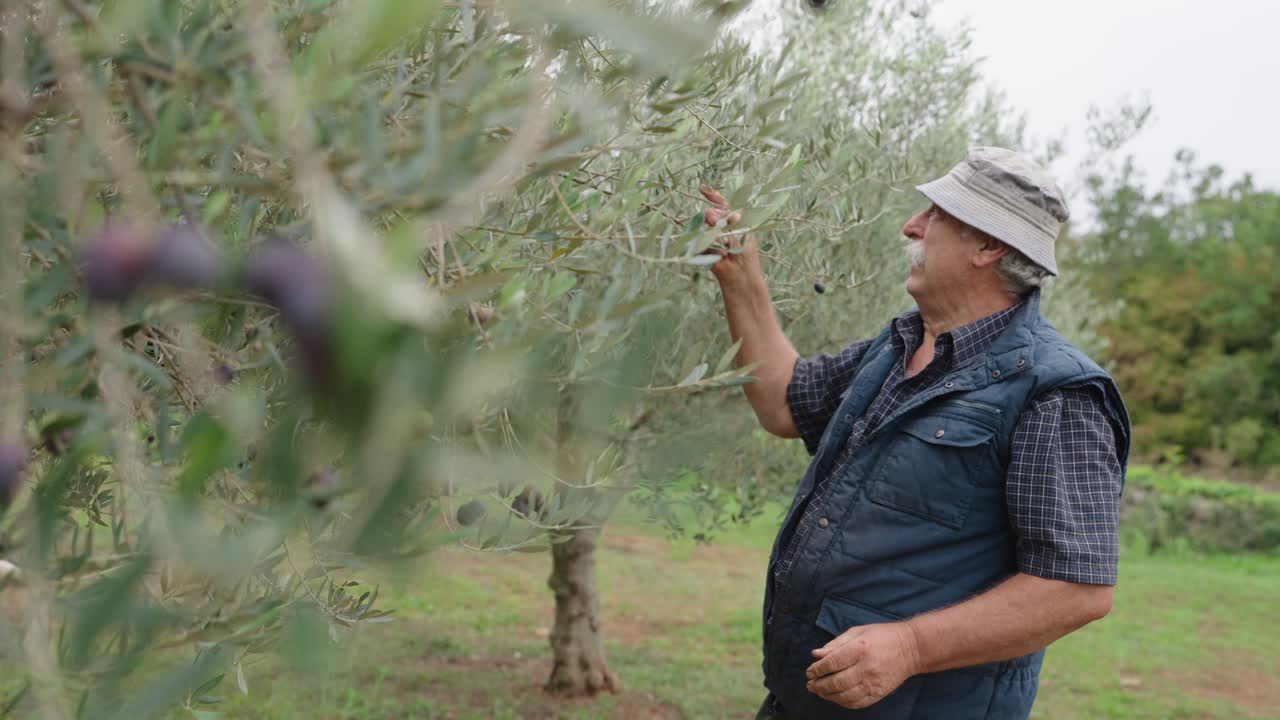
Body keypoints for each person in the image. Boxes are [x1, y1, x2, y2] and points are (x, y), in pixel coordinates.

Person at [701, 147, 1131, 720]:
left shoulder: (1056, 392)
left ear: (988, 246)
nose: (912, 226)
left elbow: (1076, 589)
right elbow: (785, 401)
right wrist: (740, 277)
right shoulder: (900, 345)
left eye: (935, 215)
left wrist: (910, 646)